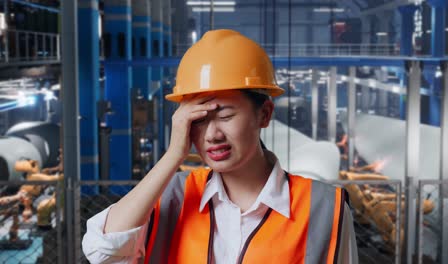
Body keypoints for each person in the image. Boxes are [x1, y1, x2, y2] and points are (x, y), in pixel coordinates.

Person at [82, 29, 358, 263]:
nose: (212, 134)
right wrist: (172, 156)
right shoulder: (172, 196)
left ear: (264, 114)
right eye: (199, 120)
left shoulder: (323, 206)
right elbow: (101, 250)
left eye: (225, 116)